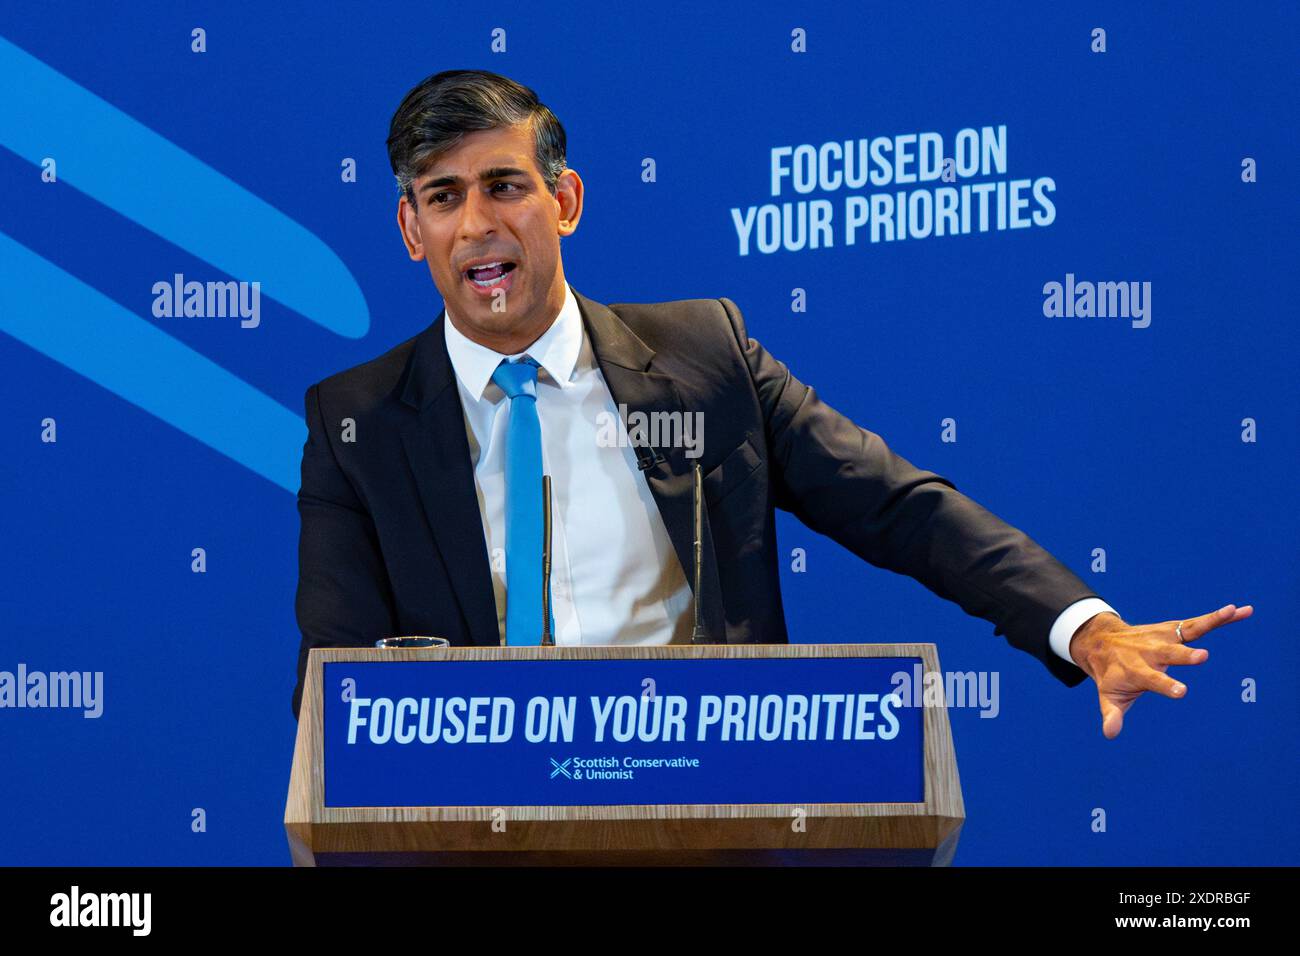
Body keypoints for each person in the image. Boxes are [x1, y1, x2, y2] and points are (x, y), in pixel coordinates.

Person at [291, 69, 1251, 737]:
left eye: (505, 186)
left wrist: (1082, 626)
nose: (478, 224)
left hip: (707, 812)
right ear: (411, 229)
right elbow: (333, 693)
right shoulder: (357, 422)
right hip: (482, 844)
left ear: (567, 201)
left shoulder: (705, 360)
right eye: (444, 197)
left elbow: (898, 507)